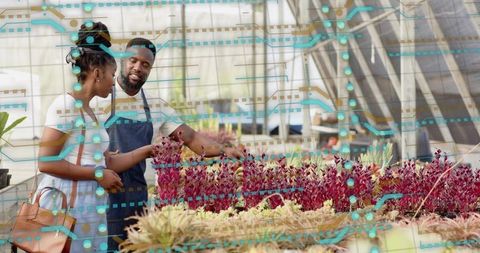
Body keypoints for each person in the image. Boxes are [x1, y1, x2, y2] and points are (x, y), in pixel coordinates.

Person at [103, 38, 244, 251]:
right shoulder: (101, 98)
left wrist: (224, 150)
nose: (138, 68)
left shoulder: (156, 106)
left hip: (136, 197)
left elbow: (191, 138)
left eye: (145, 64)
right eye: (133, 60)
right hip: (102, 194)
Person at [35, 22, 154, 252]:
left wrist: (147, 151)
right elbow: (46, 162)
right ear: (98, 73)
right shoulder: (65, 105)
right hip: (65, 214)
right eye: (112, 74)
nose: (113, 82)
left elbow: (107, 162)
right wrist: (97, 173)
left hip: (86, 214)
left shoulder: (90, 112)